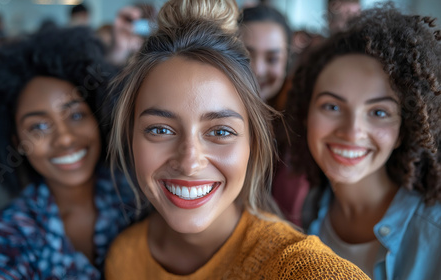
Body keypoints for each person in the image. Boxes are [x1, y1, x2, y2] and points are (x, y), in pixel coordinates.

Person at [104, 0, 369, 279]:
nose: (189, 162)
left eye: (220, 132)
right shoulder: (124, 257)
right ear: (130, 136)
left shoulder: (299, 267)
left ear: (253, 144)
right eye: (160, 129)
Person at [0, 27, 135, 279]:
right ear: (16, 141)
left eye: (76, 115)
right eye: (38, 127)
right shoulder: (10, 232)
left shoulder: (138, 196)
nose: (65, 138)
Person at [286, 5, 441, 279]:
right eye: (332, 107)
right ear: (306, 114)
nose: (352, 131)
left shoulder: (435, 233)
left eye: (379, 112)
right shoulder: (305, 213)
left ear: (403, 131)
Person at [239, 4, 309, 226]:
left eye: (272, 59)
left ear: (287, 62)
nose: (257, 69)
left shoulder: (300, 129)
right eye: (245, 55)